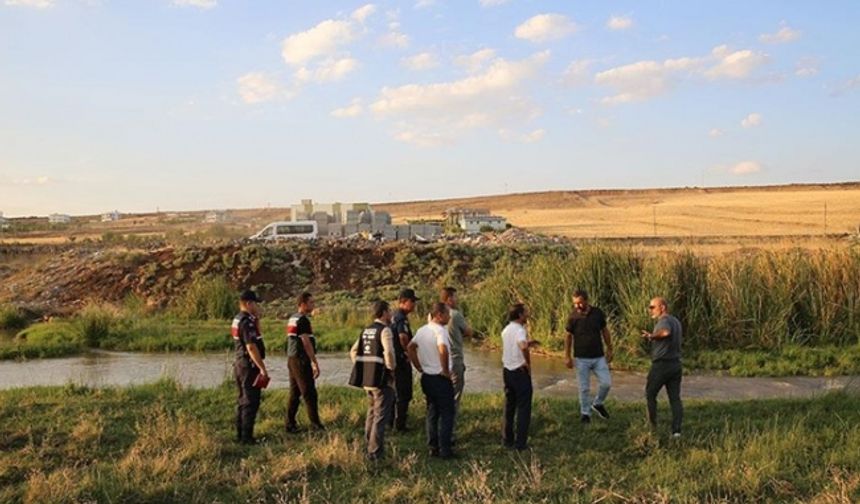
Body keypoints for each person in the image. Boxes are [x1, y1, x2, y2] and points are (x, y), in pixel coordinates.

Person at [407, 302, 457, 459]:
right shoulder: (440, 331)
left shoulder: (422, 330)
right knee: (447, 413)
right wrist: (445, 371)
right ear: (439, 315)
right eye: (447, 314)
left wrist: (418, 366)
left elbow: (410, 347)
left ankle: (433, 447)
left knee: (432, 412)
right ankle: (445, 450)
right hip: (440, 378)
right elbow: (442, 349)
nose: (449, 317)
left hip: (427, 377)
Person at [349, 300, 397, 460]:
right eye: (389, 311)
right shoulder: (385, 331)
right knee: (381, 416)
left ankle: (368, 445)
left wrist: (363, 365)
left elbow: (353, 351)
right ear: (383, 313)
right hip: (382, 379)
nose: (391, 314)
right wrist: (391, 368)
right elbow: (389, 352)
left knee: (371, 413)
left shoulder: (366, 330)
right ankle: (375, 452)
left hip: (367, 379)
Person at [564, 289, 613, 423]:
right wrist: (567, 356)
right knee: (584, 388)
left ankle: (597, 403)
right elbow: (568, 336)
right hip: (581, 358)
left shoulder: (597, 313)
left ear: (586, 300)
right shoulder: (573, 317)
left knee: (606, 383)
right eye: (574, 303)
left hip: (598, 357)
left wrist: (610, 349)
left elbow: (605, 331)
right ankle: (585, 414)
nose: (577, 306)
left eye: (579, 303)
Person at [641, 296, 684, 438]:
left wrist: (652, 336)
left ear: (663, 307)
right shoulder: (676, 321)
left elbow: (666, 332)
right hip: (676, 364)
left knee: (650, 394)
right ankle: (676, 431)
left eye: (653, 307)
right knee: (675, 398)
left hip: (662, 365)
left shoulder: (664, 321)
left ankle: (652, 428)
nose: (650, 310)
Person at [231, 289, 269, 445]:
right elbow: (251, 347)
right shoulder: (247, 322)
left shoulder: (238, 319)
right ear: (248, 303)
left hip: (240, 364)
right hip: (249, 365)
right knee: (250, 402)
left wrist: (257, 322)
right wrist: (262, 368)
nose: (257, 307)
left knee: (242, 400)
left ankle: (241, 435)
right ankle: (247, 438)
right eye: (255, 304)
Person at [286, 291, 324, 433]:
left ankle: (290, 424)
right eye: (311, 303)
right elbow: (306, 342)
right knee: (309, 393)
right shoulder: (302, 320)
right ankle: (316, 425)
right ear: (302, 304)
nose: (313, 305)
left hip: (291, 359)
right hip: (301, 360)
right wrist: (314, 362)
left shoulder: (293, 318)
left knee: (295, 393)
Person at [502, 303, 537, 451]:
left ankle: (507, 439)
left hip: (507, 371)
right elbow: (522, 346)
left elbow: (516, 345)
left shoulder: (506, 329)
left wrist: (530, 343)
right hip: (519, 371)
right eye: (526, 312)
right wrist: (527, 364)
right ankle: (520, 443)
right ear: (520, 315)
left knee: (509, 405)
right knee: (523, 407)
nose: (527, 315)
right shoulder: (520, 330)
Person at [440, 286, 473, 442]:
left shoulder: (433, 314)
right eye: (455, 297)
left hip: (439, 361)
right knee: (454, 397)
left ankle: (438, 429)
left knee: (441, 396)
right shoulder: (456, 314)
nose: (457, 300)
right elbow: (468, 332)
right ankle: (449, 433)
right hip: (455, 359)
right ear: (449, 299)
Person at [390, 288, 419, 432]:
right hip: (401, 361)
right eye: (412, 301)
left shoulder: (394, 315)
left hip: (394, 360)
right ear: (404, 302)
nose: (414, 305)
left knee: (395, 392)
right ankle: (399, 425)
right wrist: (408, 352)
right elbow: (402, 336)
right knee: (403, 392)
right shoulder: (400, 317)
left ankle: (392, 422)